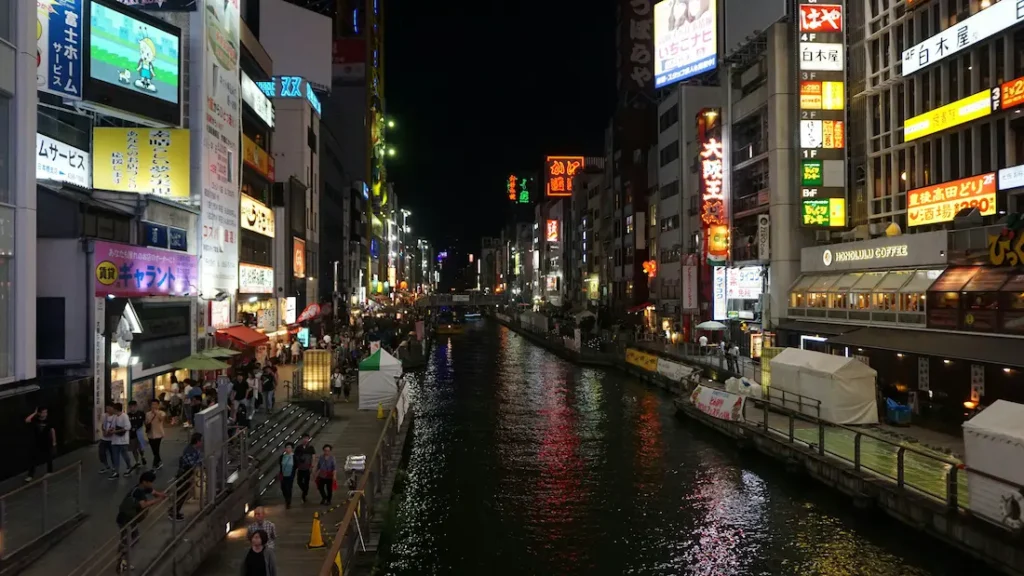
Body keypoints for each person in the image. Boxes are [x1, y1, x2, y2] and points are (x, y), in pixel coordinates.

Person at [116, 470, 166, 574]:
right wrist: (158, 500)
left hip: (130, 519)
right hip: (126, 519)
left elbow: (154, 492)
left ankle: (123, 559)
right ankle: (122, 562)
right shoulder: (138, 491)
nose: (151, 484)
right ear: (144, 482)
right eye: (150, 482)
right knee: (128, 540)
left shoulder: (143, 488)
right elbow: (143, 504)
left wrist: (162, 495)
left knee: (132, 538)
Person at [172, 433, 203, 521]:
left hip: (187, 474)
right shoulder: (189, 451)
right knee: (181, 493)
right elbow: (192, 463)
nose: (202, 443)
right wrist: (199, 462)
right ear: (197, 441)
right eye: (201, 441)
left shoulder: (195, 449)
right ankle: (173, 512)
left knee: (184, 493)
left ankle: (175, 511)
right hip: (183, 475)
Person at [25, 407, 56, 482]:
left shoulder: (48, 421)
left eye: (46, 412)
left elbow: (52, 430)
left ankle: (49, 472)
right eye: (43, 412)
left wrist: (54, 441)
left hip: (47, 442)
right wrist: (34, 413)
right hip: (37, 442)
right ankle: (30, 475)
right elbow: (27, 420)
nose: (45, 414)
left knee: (49, 457)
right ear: (39, 413)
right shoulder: (36, 420)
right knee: (33, 459)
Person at [109, 403, 134, 479]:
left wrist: (116, 431)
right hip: (115, 440)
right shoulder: (114, 416)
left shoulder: (124, 416)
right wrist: (111, 430)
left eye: (113, 408)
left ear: (116, 409)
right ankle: (116, 472)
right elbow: (113, 426)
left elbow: (128, 427)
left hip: (123, 440)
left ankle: (129, 466)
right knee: (115, 456)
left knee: (124, 454)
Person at [294, 433, 316, 503]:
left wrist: (312, 465)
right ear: (302, 439)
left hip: (307, 468)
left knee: (306, 482)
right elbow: (295, 457)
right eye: (304, 438)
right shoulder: (298, 448)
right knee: (299, 482)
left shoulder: (310, 448)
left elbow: (313, 456)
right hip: (300, 468)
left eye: (307, 438)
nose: (305, 440)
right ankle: (305, 491)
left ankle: (304, 496)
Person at [145, 399, 166, 470]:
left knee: (156, 449)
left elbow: (161, 419)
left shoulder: (161, 413)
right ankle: (159, 462)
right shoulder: (147, 414)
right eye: (152, 404)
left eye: (155, 404)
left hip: (158, 434)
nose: (153, 406)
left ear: (158, 405)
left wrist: (156, 413)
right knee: (154, 450)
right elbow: (146, 422)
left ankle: (155, 464)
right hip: (150, 434)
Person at [127, 401, 147, 471]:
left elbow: (145, 422)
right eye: (130, 407)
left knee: (140, 447)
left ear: (136, 406)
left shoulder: (141, 413)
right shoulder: (128, 415)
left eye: (133, 406)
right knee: (134, 448)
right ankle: (137, 461)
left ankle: (143, 456)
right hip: (132, 434)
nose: (132, 408)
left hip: (140, 433)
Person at [99, 403, 116, 475]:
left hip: (112, 439)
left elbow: (116, 426)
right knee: (101, 453)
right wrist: (103, 430)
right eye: (107, 408)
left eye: (109, 408)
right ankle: (106, 466)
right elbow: (102, 425)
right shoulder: (103, 415)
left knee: (113, 454)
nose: (108, 409)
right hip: (104, 438)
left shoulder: (116, 416)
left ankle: (114, 467)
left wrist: (110, 431)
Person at [278, 443, 296, 509]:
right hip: (283, 475)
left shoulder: (294, 456)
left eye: (289, 448)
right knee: (283, 488)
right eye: (287, 447)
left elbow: (296, 465)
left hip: (290, 475)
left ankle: (288, 502)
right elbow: (280, 464)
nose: (288, 449)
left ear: (292, 449)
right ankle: (286, 498)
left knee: (288, 488)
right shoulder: (282, 456)